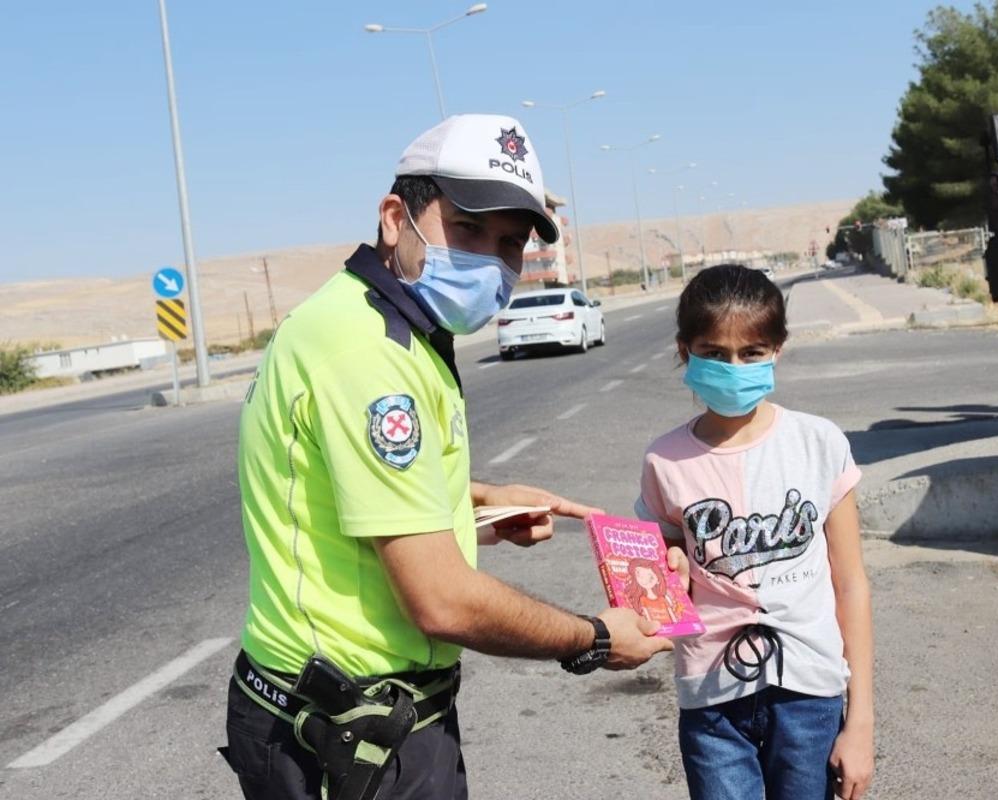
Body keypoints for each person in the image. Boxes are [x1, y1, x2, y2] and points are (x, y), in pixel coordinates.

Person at [222, 114, 672, 800]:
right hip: (342, 730)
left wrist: (479, 502)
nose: (492, 262)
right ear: (395, 217)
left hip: (363, 719)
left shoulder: (373, 321)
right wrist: (593, 640)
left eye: (509, 244)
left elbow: (346, 492)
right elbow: (440, 600)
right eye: (468, 231)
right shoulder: (367, 350)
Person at [635, 264, 875, 800]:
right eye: (715, 353)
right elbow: (659, 580)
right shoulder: (664, 460)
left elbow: (851, 583)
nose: (734, 366)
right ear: (684, 351)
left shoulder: (819, 444)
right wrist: (664, 576)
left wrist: (860, 724)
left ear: (777, 351)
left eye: (752, 352)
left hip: (810, 696)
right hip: (711, 703)